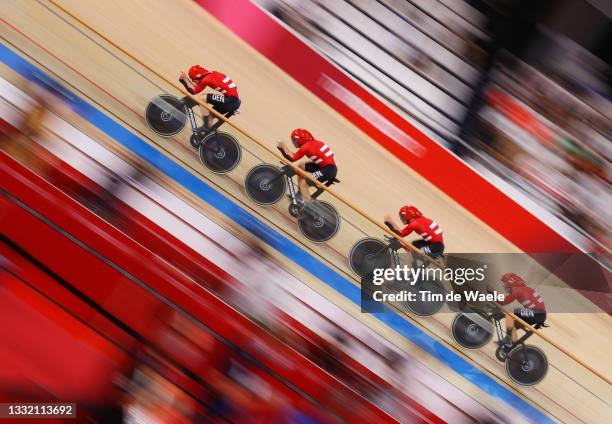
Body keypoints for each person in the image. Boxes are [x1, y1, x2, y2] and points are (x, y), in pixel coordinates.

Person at [277, 128, 337, 204]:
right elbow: (294, 156)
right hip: (326, 167)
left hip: (328, 170)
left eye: (294, 140)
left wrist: (282, 146)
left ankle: (309, 207)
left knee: (303, 184)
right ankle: (299, 196)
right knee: (301, 166)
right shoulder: (312, 143)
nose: (293, 142)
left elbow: (292, 158)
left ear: (301, 139)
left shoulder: (306, 146)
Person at [178, 65, 240, 130]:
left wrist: (185, 79)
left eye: (193, 79)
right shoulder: (210, 75)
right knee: (210, 116)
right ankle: (205, 133)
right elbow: (195, 88)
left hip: (231, 101)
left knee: (202, 98)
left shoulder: (206, 79)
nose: (192, 81)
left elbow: (194, 91)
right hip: (233, 101)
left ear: (198, 76)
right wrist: (186, 80)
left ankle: (205, 126)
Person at [498, 272, 547, 348]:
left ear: (510, 284)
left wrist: (492, 293)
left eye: (505, 283)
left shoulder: (518, 291)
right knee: (512, 326)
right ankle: (512, 346)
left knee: (510, 312)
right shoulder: (523, 289)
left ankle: (507, 339)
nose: (503, 286)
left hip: (537, 314)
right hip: (539, 314)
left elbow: (503, 302)